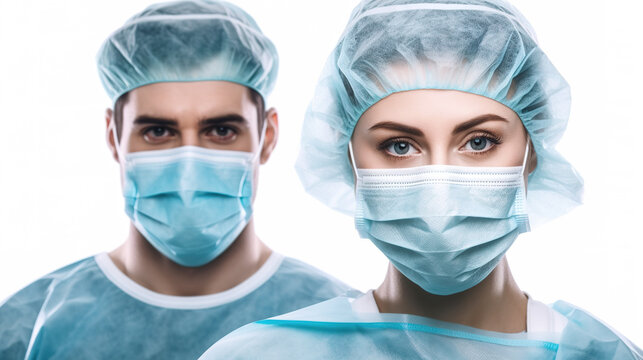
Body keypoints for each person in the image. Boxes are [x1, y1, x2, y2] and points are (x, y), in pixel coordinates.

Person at [199, 0, 642, 358]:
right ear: (349, 162)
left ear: (531, 155)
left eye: (480, 141)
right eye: (399, 146)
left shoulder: (598, 354)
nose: (439, 192)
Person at [0, 1, 350, 359]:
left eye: (222, 130)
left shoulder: (344, 330)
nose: (187, 166)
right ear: (112, 136)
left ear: (268, 135)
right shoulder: (26, 329)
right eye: (157, 131)